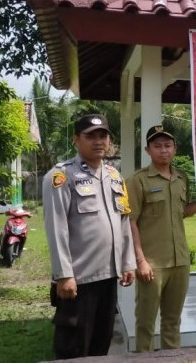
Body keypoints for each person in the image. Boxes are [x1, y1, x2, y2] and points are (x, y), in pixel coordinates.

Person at [43, 114, 135, 359]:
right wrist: (64, 275)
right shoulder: (61, 177)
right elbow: (57, 227)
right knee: (73, 348)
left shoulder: (115, 176)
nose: (98, 141)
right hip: (78, 280)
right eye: (90, 136)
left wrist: (127, 263)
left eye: (102, 135)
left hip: (108, 276)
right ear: (76, 140)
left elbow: (123, 221)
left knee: (100, 344)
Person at [127, 125, 196, 352]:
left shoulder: (181, 178)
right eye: (157, 146)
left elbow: (183, 212)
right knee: (146, 324)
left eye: (168, 146)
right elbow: (130, 222)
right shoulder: (138, 181)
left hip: (179, 262)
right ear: (148, 150)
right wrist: (140, 261)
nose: (163, 150)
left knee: (172, 322)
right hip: (153, 264)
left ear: (175, 149)